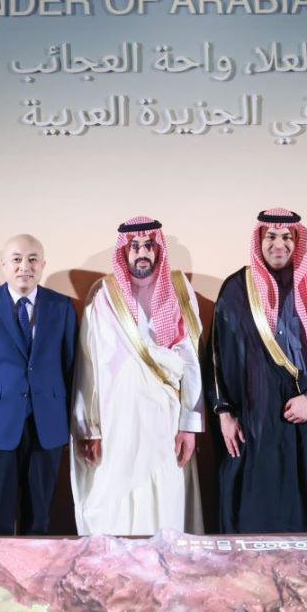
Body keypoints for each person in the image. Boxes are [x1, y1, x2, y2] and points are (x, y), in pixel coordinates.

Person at [209, 209, 307, 533]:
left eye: (286, 237)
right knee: (257, 505)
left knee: (306, 504)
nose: (278, 244)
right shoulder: (237, 288)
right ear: (259, 240)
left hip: (305, 416)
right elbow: (217, 355)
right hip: (254, 418)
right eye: (270, 236)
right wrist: (225, 413)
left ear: (298, 242)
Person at [71, 216, 205, 535]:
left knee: (165, 486)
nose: (142, 253)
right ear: (124, 252)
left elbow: (190, 359)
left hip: (165, 417)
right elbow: (89, 363)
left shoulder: (178, 289)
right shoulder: (104, 294)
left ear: (159, 250)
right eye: (135, 247)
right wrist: (90, 427)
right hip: (118, 417)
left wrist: (189, 425)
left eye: (148, 246)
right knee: (117, 492)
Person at [0, 234, 77, 536]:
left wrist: (70, 425)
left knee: (39, 517)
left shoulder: (62, 307)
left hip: (47, 425)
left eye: (33, 259)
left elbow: (71, 369)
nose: (25, 266)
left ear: (43, 265)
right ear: (4, 265)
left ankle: (36, 567)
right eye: (17, 259)